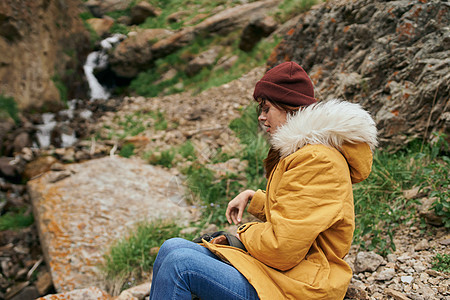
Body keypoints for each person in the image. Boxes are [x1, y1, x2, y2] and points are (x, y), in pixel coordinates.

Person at [149, 61, 377, 299]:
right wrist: (254, 198)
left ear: (289, 108)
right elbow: (301, 212)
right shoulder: (309, 153)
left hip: (301, 287)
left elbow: (282, 248)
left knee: (179, 264)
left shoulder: (318, 160)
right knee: (171, 247)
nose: (261, 117)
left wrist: (240, 235)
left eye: (267, 108)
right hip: (285, 275)